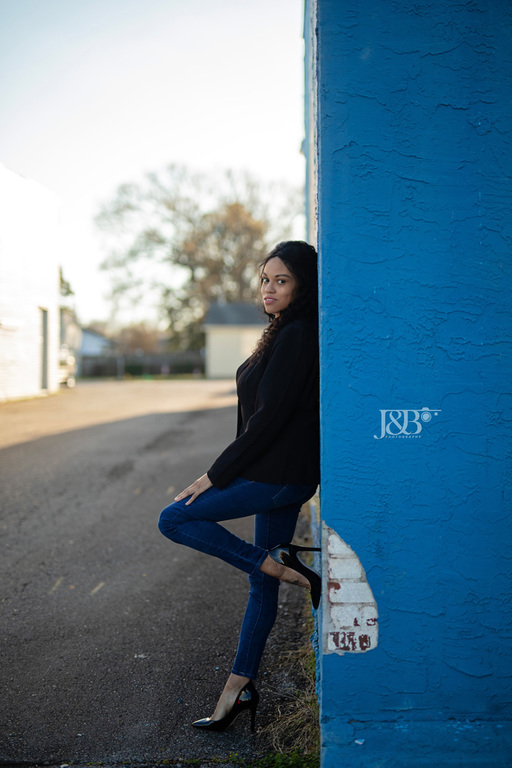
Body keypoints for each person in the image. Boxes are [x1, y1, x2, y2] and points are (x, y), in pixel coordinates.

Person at [158, 240, 321, 733]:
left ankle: (282, 565)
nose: (269, 289)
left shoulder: (297, 335)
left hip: (277, 477)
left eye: (282, 281)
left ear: (303, 286)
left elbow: (268, 420)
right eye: (265, 280)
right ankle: (238, 689)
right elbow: (257, 416)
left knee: (175, 517)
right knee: (261, 582)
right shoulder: (281, 332)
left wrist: (216, 474)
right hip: (275, 474)